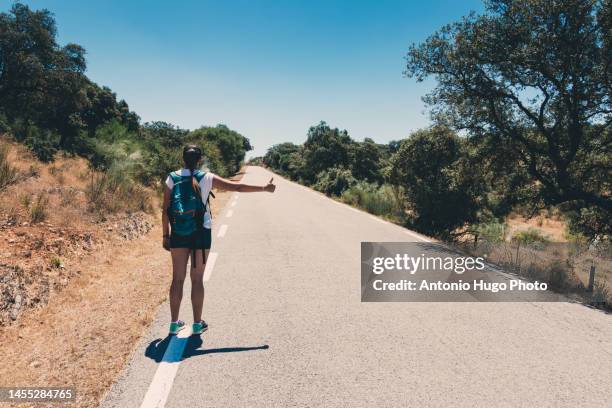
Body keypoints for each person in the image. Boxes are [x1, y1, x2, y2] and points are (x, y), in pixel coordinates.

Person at [162, 145, 275, 335]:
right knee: (197, 280)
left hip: (179, 233)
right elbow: (237, 187)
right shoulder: (207, 178)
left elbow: (165, 209)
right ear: (200, 160)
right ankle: (197, 324)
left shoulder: (172, 178)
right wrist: (264, 188)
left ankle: (174, 323)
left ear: (182, 158)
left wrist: (165, 235)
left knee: (178, 279)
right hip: (201, 233)